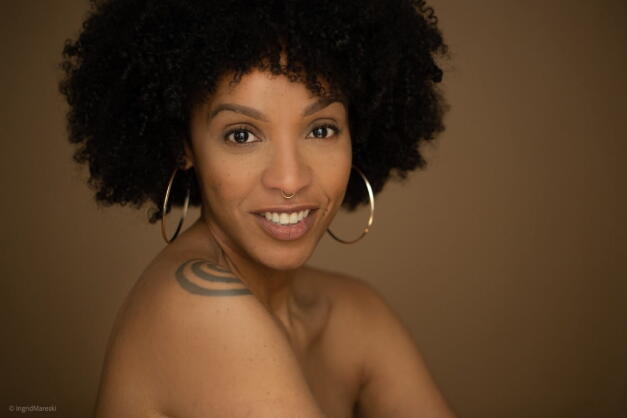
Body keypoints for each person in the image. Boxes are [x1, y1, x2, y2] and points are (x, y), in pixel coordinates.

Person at [59, 0, 455, 416]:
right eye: (242, 135)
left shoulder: (353, 311)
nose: (290, 179)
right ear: (184, 146)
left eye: (321, 130)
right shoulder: (200, 310)